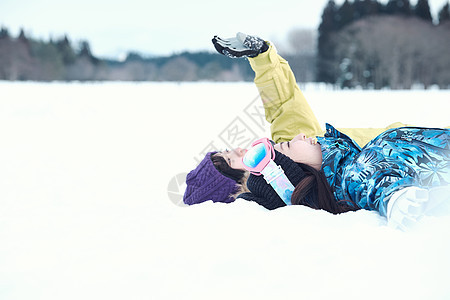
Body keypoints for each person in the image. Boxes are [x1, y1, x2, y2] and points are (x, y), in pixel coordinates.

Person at [183, 33, 450, 230]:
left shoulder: (291, 153)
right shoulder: (296, 178)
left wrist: (263, 57)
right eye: (233, 159)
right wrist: (395, 197)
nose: (241, 149)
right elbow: (370, 180)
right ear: (237, 186)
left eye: (230, 150)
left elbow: (284, 106)